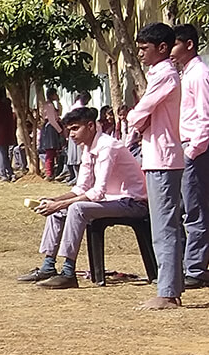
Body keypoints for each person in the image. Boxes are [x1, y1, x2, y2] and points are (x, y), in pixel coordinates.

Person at [18, 106, 150, 289]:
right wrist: (55, 201)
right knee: (58, 210)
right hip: (112, 200)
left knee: (76, 208)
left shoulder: (108, 146)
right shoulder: (87, 148)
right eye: (69, 129)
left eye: (75, 128)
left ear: (90, 126)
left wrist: (61, 204)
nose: (71, 134)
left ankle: (68, 272)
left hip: (132, 202)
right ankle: (48, 266)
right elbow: (82, 187)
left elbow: (97, 192)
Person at [128, 22, 187, 309]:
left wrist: (135, 121)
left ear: (162, 48)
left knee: (165, 226)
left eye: (144, 48)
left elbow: (141, 111)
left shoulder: (165, 74)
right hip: (157, 156)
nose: (140, 53)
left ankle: (168, 291)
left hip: (164, 157)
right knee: (164, 225)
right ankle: (170, 285)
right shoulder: (159, 74)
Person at [174, 25, 209, 290]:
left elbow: (205, 118)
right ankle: (192, 265)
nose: (170, 52)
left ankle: (195, 269)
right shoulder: (186, 74)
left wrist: (191, 150)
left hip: (194, 150)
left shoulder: (199, 75)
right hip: (185, 148)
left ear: (189, 44)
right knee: (186, 208)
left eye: (173, 45)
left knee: (194, 210)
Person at [38, 89, 64, 179]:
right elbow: (52, 120)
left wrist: (58, 102)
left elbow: (59, 113)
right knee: (50, 150)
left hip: (53, 127)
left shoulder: (52, 105)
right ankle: (49, 172)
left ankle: (52, 172)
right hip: (51, 128)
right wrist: (60, 130)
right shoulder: (48, 105)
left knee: (54, 151)